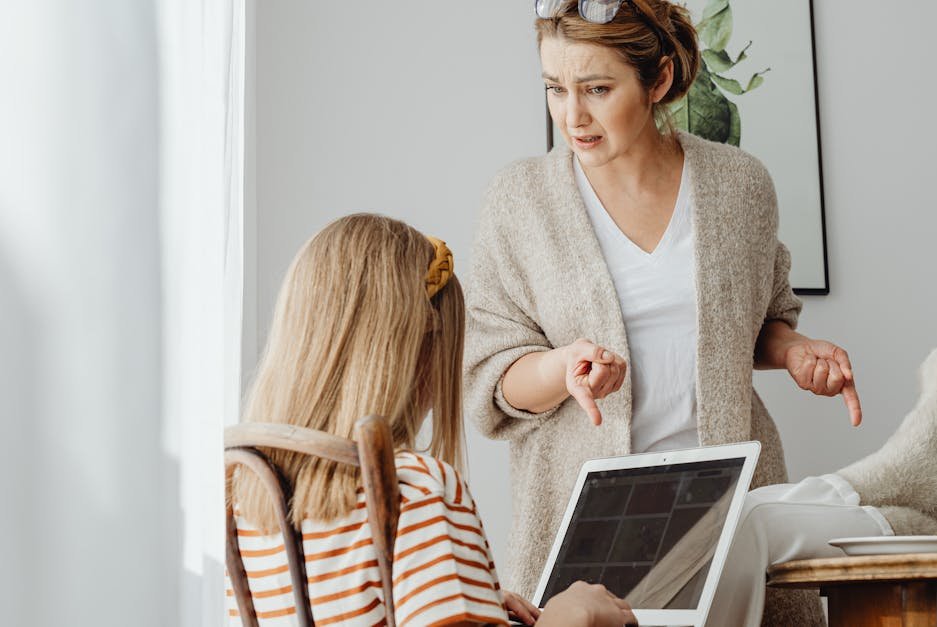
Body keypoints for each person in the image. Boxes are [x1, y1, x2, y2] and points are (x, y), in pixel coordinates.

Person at [463, 0, 872, 622]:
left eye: (597, 89)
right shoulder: (519, 200)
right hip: (588, 528)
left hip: (729, 512)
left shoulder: (740, 184)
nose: (572, 116)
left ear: (657, 80)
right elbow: (491, 380)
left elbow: (759, 319)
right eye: (555, 88)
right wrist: (561, 369)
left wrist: (793, 351)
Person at [225, 214, 637, 626]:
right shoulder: (412, 490)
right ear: (423, 346)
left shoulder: (246, 495)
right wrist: (567, 616)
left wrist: (465, 596)